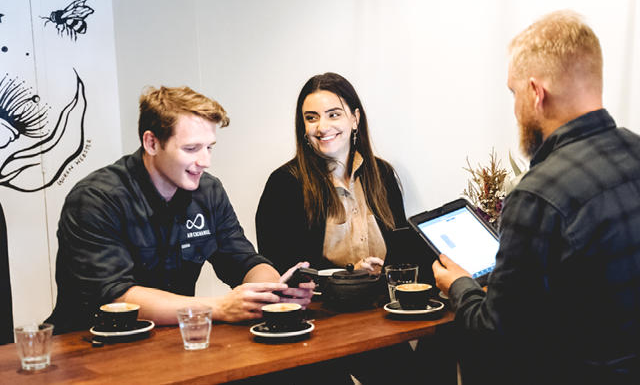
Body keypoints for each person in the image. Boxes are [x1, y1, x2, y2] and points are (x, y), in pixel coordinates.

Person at [433, 10, 640, 384]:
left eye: (514, 93)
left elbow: (496, 338)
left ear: (535, 93)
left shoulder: (539, 196)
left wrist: (460, 285)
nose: (514, 107)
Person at [46, 86, 314, 335]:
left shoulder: (208, 192)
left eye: (209, 147)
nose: (205, 161)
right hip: (91, 345)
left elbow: (244, 261)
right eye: (191, 148)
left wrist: (273, 293)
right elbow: (117, 296)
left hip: (172, 340)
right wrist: (219, 307)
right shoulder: (97, 199)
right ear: (151, 143)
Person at [256, 72, 409, 276]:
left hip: (386, 303)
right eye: (312, 118)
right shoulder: (284, 184)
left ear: (355, 119)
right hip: (319, 306)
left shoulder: (383, 174)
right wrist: (346, 276)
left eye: (333, 114)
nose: (323, 127)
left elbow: (403, 255)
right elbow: (281, 271)